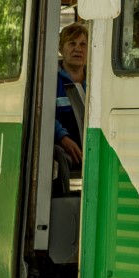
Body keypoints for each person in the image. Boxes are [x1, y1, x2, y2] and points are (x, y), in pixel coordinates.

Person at [54, 23, 87, 179]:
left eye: (83, 44)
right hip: (63, 154)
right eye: (72, 44)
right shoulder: (51, 80)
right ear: (61, 49)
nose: (78, 49)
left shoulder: (98, 82)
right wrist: (63, 138)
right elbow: (45, 115)